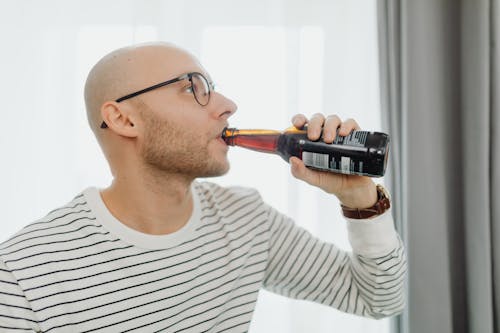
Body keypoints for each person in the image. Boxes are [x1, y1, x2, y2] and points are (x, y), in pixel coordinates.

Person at [0, 42, 406, 332]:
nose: (227, 104)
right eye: (193, 87)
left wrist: (358, 198)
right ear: (124, 120)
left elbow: (378, 299)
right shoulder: (22, 277)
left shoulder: (246, 221)